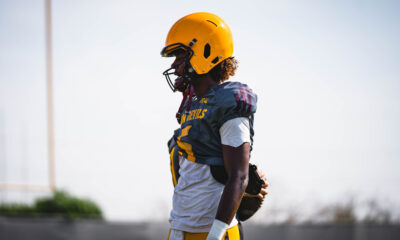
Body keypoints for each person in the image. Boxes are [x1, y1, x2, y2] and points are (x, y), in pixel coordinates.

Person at [161, 12, 268, 240]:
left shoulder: (228, 101)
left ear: (204, 53)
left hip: (213, 233)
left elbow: (239, 176)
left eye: (181, 56)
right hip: (180, 228)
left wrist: (215, 235)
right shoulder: (193, 109)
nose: (174, 64)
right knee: (174, 145)